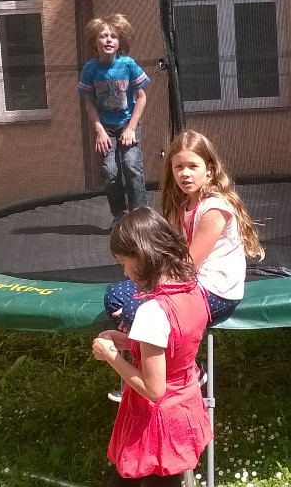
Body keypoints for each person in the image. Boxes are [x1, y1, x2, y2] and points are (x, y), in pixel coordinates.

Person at [92, 207, 213, 487]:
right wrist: (130, 340)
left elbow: (153, 389)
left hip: (155, 418)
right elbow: (174, 343)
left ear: (142, 255)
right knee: (167, 480)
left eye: (124, 262)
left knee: (128, 478)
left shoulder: (152, 311)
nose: (125, 272)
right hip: (184, 404)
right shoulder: (193, 288)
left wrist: (112, 356)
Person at [105, 130, 264, 333]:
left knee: (134, 311)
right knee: (116, 295)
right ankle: (146, 345)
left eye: (193, 166)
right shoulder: (181, 206)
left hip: (214, 291)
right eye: (178, 167)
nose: (185, 173)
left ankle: (155, 349)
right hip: (186, 282)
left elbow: (189, 265)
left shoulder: (215, 208)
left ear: (209, 170)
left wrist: (151, 295)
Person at [78, 13, 151, 227]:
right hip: (106, 128)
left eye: (113, 36)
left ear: (120, 42)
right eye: (103, 36)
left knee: (131, 166)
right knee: (109, 171)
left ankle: (139, 215)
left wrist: (131, 128)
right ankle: (120, 213)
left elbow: (141, 97)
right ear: (95, 42)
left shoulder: (128, 64)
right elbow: (89, 103)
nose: (108, 40)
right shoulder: (90, 69)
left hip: (127, 124)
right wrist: (99, 131)